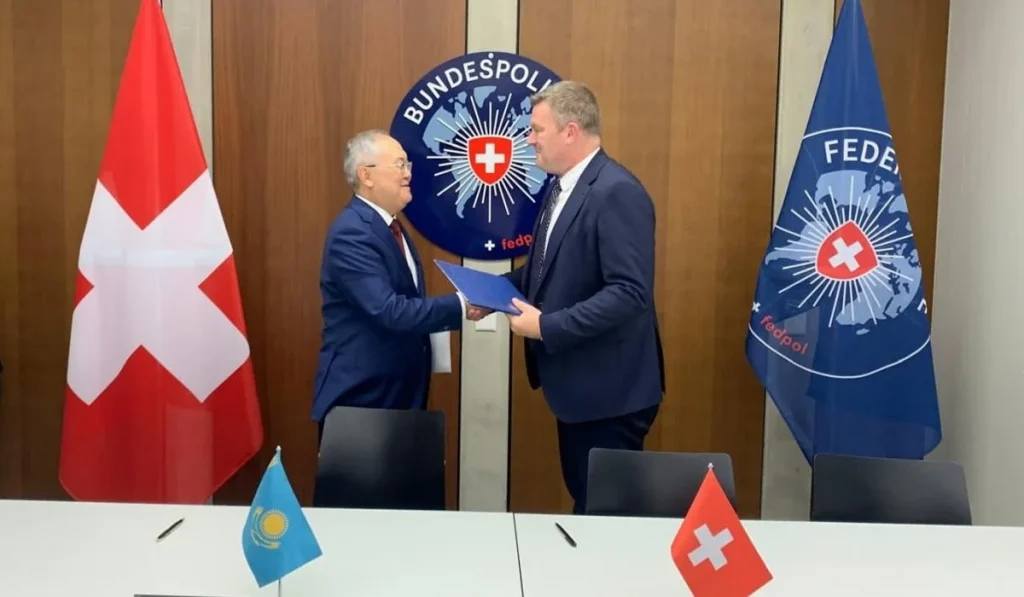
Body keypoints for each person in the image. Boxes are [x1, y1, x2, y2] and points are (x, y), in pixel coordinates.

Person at [501, 81, 665, 514]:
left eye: (537, 130)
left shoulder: (617, 191)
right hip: (579, 392)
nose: (529, 139)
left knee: (604, 516)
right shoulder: (560, 187)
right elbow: (545, 269)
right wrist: (496, 292)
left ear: (570, 131)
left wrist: (545, 326)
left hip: (610, 395)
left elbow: (629, 293)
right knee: (588, 503)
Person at [311, 129, 484, 440]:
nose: (408, 174)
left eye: (408, 165)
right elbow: (389, 311)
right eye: (399, 165)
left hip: (399, 395)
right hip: (363, 400)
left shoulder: (391, 226)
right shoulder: (353, 233)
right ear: (366, 175)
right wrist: (461, 305)